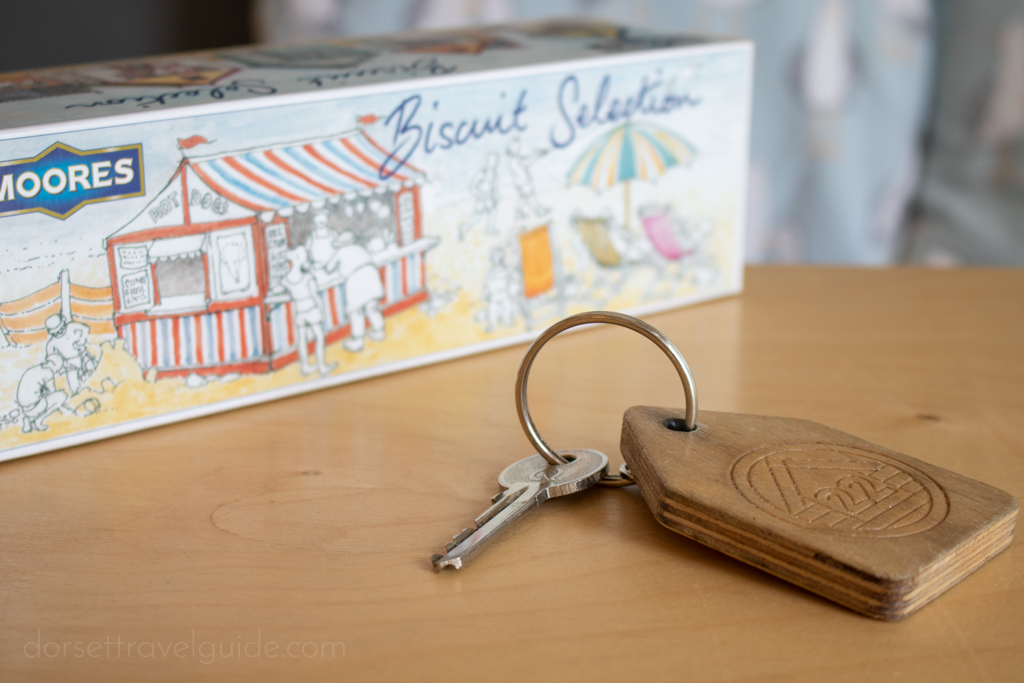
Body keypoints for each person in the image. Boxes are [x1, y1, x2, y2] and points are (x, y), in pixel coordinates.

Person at [276, 246, 336, 376]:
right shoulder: (308, 277)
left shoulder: (286, 279)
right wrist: (322, 311)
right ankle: (322, 366)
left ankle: (305, 366)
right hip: (311, 309)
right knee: (319, 337)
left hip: (300, 312)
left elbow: (279, 290)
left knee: (302, 340)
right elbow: (315, 296)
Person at [334, 231, 385, 352]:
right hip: (370, 274)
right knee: (371, 306)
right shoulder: (360, 248)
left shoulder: (340, 252)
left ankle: (358, 340)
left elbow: (328, 268)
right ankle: (379, 331)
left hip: (356, 279)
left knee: (356, 312)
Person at [17, 354, 72, 433]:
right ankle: (38, 421)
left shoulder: (35, 369)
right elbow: (52, 392)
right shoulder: (48, 372)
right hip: (35, 407)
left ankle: (27, 420)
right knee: (62, 396)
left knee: (46, 397)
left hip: (25, 408)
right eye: (58, 368)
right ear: (55, 365)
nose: (57, 371)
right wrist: (63, 406)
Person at [44, 314, 97, 395]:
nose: (60, 332)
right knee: (74, 385)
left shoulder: (71, 327)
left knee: (92, 370)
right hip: (69, 364)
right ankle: (80, 395)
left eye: (61, 329)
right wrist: (63, 366)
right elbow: (51, 359)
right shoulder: (51, 343)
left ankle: (95, 389)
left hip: (82, 354)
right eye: (56, 332)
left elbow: (85, 328)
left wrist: (81, 341)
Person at [458, 152, 500, 239]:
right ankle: (464, 227)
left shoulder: (494, 174)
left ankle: (490, 228)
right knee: (477, 216)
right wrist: (479, 194)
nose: (493, 163)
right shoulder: (482, 173)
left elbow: (494, 186)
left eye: (495, 161)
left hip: (489, 197)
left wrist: (496, 195)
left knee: (492, 211)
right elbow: (473, 185)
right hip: (482, 197)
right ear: (488, 161)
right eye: (492, 161)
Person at [506, 137, 548, 219]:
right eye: (516, 147)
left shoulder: (515, 158)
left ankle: (518, 213)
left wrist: (535, 153)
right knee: (531, 196)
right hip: (523, 182)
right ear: (511, 149)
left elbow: (526, 159)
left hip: (520, 183)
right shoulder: (515, 160)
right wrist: (537, 155)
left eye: (518, 146)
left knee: (523, 198)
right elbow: (526, 162)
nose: (518, 148)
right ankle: (538, 210)